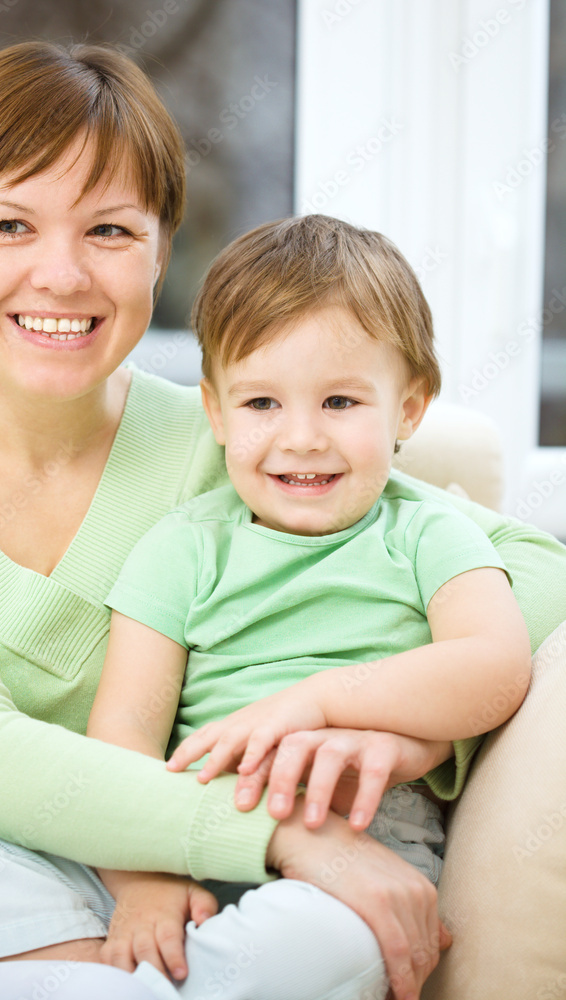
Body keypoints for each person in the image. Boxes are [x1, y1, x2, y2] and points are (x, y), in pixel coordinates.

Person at [0, 40, 563, 1000]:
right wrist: (284, 832)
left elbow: (536, 570)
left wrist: (405, 728)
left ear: (160, 250)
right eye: (12, 225)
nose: (62, 276)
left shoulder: (242, 441)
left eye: (109, 230)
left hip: (213, 935)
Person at [81, 214, 531, 984]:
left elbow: (495, 665)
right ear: (215, 413)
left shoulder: (429, 534)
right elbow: (120, 734)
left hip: (356, 845)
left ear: (410, 409)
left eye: (340, 403)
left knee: (329, 944)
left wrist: (321, 700)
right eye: (261, 404)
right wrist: (140, 881)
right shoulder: (182, 546)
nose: (301, 438)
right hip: (189, 828)